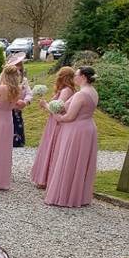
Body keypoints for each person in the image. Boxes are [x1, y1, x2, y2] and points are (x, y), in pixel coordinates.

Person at [45, 66, 99, 207]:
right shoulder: (93, 92)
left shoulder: (81, 94)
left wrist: (57, 117)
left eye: (76, 75)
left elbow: (70, 116)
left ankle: (64, 195)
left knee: (69, 159)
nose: (74, 77)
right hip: (88, 128)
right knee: (80, 161)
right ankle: (79, 195)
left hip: (76, 130)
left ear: (83, 77)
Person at [30, 66, 76, 188]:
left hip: (57, 123)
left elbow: (57, 109)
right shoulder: (67, 90)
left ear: (62, 77)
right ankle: (45, 177)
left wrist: (45, 105)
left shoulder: (66, 91)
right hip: (53, 122)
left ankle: (47, 179)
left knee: (52, 147)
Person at [6, 52, 33, 147]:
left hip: (18, 110)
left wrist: (25, 102)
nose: (18, 68)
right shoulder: (4, 79)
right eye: (16, 65)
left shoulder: (23, 80)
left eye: (19, 65)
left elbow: (29, 93)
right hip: (7, 110)